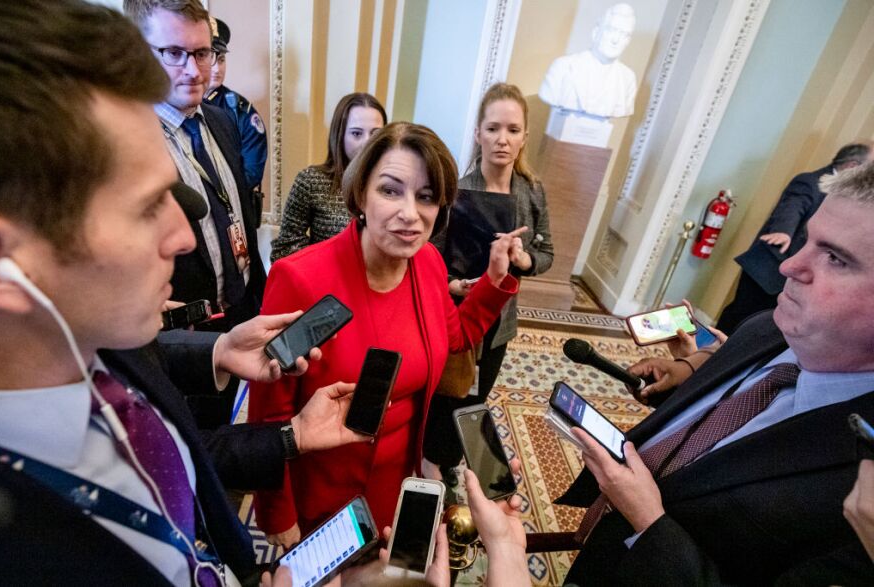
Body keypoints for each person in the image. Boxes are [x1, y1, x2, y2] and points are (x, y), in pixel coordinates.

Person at [0, 2, 362, 584]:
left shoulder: (103, 337)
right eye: (145, 207)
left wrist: (225, 363)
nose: (183, 236)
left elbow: (174, 453)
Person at [557, 160, 874, 585]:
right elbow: (722, 432)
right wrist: (687, 374)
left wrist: (649, 523)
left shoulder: (865, 493)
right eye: (808, 241)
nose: (789, 267)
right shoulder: (766, 325)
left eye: (836, 258)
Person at [249, 122, 526, 548]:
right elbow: (270, 414)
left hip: (399, 485)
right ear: (360, 194)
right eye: (391, 190)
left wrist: (495, 281)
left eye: (427, 196)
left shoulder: (429, 263)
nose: (410, 213)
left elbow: (453, 340)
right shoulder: (300, 279)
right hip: (323, 494)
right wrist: (276, 514)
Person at [422, 83, 553, 485]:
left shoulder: (531, 191)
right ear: (478, 133)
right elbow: (430, 263)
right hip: (460, 318)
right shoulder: (457, 192)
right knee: (447, 394)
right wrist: (455, 285)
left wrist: (524, 260)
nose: (502, 139)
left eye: (513, 130)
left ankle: (451, 459)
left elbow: (547, 254)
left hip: (501, 324)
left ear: (524, 138)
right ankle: (430, 460)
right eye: (493, 128)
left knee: (476, 395)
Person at [125, 0, 267, 333]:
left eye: (202, 53)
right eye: (174, 53)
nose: (194, 70)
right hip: (181, 332)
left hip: (243, 312)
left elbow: (239, 216)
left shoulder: (223, 121)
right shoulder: (122, 143)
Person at [716, 142, 873, 335]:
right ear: (852, 167)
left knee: (756, 326)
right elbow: (793, 207)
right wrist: (783, 231)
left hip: (783, 276)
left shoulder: (847, 198)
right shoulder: (809, 181)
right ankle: (710, 353)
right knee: (741, 316)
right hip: (768, 268)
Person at [270, 92, 387, 261]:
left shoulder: (392, 187)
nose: (367, 143)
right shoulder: (311, 181)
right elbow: (285, 248)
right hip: (325, 284)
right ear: (340, 135)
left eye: (375, 134)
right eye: (356, 133)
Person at [539, 3, 637, 118]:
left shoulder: (628, 79)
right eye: (611, 30)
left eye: (624, 34)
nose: (615, 40)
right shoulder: (562, 67)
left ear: (628, 41)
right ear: (596, 32)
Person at [204, 17, 268, 192]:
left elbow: (251, 172)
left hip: (233, 206)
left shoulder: (241, 111)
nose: (217, 68)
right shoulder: (174, 106)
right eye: (209, 57)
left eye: (222, 59)